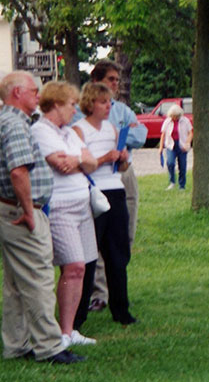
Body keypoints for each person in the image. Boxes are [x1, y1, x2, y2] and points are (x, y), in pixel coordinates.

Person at [0, 71, 83, 365]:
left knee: (16, 283)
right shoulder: (14, 124)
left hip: (5, 207)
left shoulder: (1, 121)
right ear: (16, 93)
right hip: (18, 211)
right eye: (33, 91)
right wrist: (28, 210)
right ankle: (50, 347)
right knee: (39, 279)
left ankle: (16, 344)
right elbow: (18, 171)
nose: (38, 96)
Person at [30, 82, 99, 347]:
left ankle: (69, 330)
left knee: (81, 269)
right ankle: (61, 331)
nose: (76, 109)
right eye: (72, 104)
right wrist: (79, 159)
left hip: (83, 205)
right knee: (73, 266)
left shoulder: (69, 133)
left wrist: (79, 160)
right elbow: (59, 164)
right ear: (57, 104)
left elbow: (90, 163)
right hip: (61, 207)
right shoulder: (41, 131)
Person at [81, 60, 146, 313]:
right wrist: (119, 136)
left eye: (117, 80)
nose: (116, 84)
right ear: (96, 81)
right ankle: (99, 294)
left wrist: (120, 136)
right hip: (95, 179)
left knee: (124, 234)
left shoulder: (121, 110)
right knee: (96, 239)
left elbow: (140, 136)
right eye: (111, 79)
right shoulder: (82, 111)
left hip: (122, 173)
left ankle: (118, 291)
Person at [73, 82, 136, 325]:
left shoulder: (112, 129)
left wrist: (122, 159)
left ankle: (121, 310)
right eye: (102, 102)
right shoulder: (79, 130)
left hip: (115, 190)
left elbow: (120, 167)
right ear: (90, 104)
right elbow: (81, 164)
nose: (108, 106)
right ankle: (78, 314)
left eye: (109, 102)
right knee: (89, 255)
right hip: (93, 193)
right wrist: (103, 158)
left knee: (118, 254)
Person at [158, 105, 193, 190]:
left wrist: (187, 143)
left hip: (182, 145)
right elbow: (163, 134)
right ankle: (172, 182)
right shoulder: (167, 121)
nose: (174, 118)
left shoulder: (185, 121)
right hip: (170, 145)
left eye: (176, 116)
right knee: (170, 163)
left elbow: (191, 132)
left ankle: (182, 186)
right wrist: (161, 147)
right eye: (172, 116)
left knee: (182, 166)